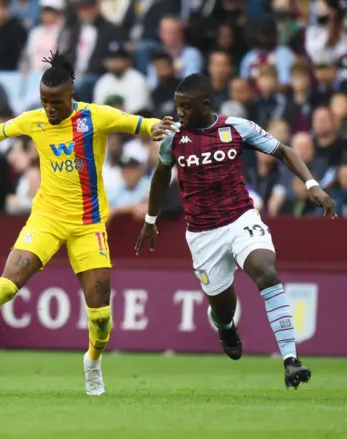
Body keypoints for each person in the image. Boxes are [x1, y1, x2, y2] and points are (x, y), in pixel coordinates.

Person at [0, 49, 176, 395]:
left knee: (101, 314)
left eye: (56, 102)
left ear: (70, 96)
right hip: (46, 217)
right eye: (45, 101)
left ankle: (92, 361)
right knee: (6, 284)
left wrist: (156, 126)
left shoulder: (96, 117)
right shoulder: (35, 121)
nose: (50, 108)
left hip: (89, 223)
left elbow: (134, 122)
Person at [135, 73, 336, 390]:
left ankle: (290, 361)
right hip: (203, 234)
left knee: (266, 271)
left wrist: (312, 185)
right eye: (177, 107)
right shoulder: (174, 138)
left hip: (241, 218)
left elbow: (283, 150)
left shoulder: (236, 127)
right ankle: (225, 326)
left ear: (205, 105)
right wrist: (150, 219)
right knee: (223, 306)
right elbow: (161, 176)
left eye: (185, 108)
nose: (180, 114)